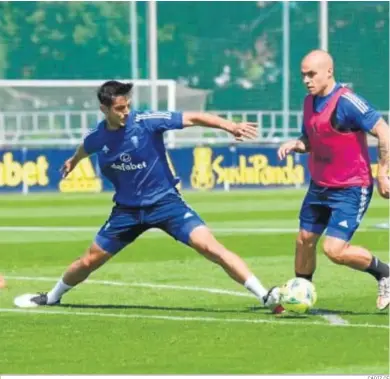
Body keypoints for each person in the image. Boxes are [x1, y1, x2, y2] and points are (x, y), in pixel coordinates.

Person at [15, 80, 282, 313]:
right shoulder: (98, 136)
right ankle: (51, 297)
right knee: (89, 260)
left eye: (127, 105)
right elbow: (85, 147)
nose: (126, 112)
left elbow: (194, 117)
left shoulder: (146, 122)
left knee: (211, 247)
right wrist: (73, 161)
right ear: (104, 109)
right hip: (127, 212)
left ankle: (264, 295)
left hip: (166, 203)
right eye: (119, 108)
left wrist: (229, 126)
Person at [278, 50, 389, 310]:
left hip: (351, 187)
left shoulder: (347, 102)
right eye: (303, 75)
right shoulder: (309, 102)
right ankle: (300, 296)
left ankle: (385, 273)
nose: (306, 80)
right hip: (320, 184)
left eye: (311, 74)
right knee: (304, 239)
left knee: (334, 250)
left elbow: (384, 131)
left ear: (329, 71)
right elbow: (310, 140)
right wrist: (297, 143)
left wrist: (383, 172)